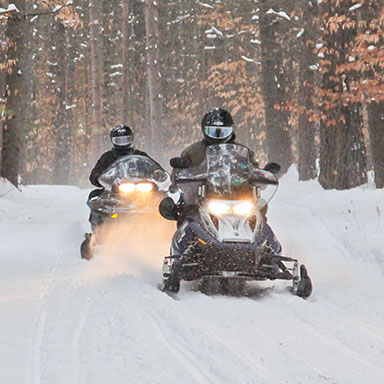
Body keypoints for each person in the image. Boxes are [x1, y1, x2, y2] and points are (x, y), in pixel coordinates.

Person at [178, 107, 259, 168]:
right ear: (203, 129)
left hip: (237, 188)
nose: (218, 136)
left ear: (231, 131)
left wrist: (264, 175)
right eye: (213, 132)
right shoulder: (192, 152)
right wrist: (182, 167)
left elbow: (255, 171)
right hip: (201, 188)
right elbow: (177, 175)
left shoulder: (242, 153)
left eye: (223, 132)